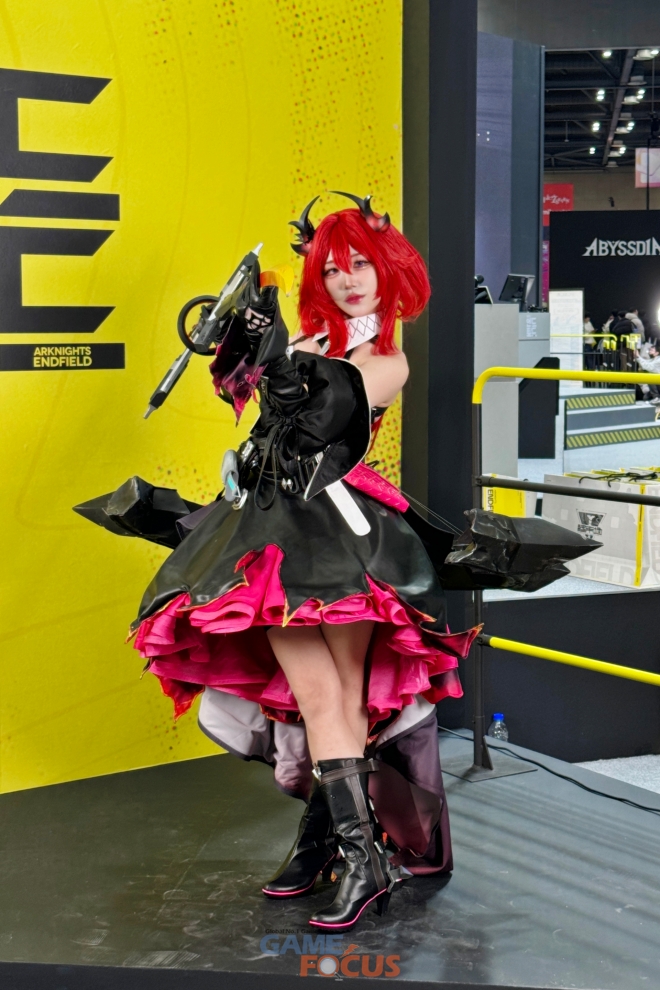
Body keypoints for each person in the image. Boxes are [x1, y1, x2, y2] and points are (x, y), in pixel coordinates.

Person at [128, 194, 478, 931]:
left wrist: (278, 364)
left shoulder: (386, 360)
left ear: (389, 272)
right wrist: (244, 352)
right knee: (318, 696)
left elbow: (324, 425)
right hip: (273, 534)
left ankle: (341, 851)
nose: (350, 280)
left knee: (342, 699)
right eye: (335, 267)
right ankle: (348, 853)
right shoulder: (310, 338)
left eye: (362, 266)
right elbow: (263, 425)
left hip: (346, 534)